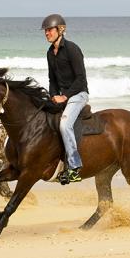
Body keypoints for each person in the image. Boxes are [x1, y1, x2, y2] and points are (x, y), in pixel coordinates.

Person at [42, 14, 89, 184]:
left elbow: (81, 79)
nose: (46, 33)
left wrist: (65, 96)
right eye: (45, 31)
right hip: (63, 97)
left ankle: (74, 168)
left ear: (60, 30)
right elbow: (52, 80)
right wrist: (53, 96)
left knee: (64, 124)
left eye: (49, 30)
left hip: (79, 95)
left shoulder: (72, 49)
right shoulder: (50, 53)